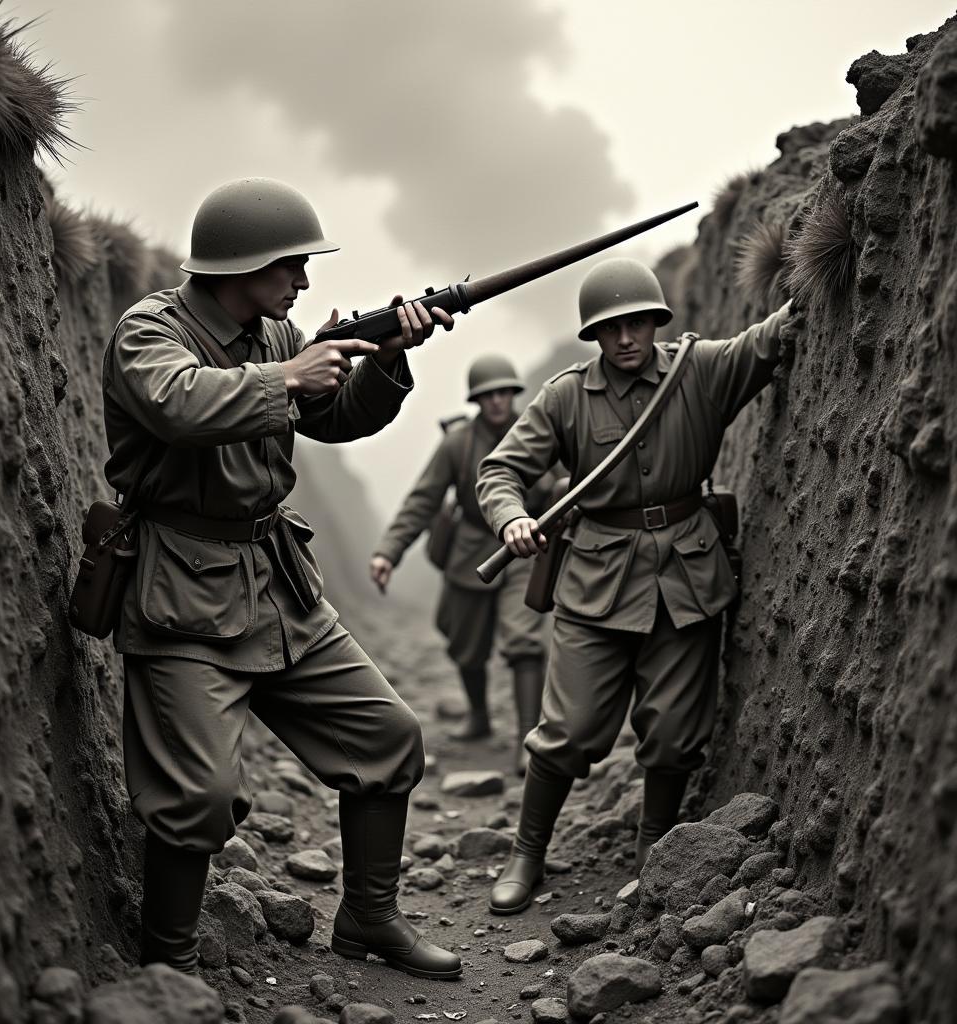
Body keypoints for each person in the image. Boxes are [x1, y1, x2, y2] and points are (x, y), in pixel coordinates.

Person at [102, 177, 462, 979]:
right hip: (182, 593)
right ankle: (169, 967)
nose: (302, 283)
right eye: (290, 266)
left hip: (276, 581)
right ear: (242, 265)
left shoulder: (274, 333)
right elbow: (177, 405)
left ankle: (369, 918)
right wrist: (292, 376)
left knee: (388, 738)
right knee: (198, 796)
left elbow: (335, 420)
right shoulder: (149, 331)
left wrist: (384, 359)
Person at [476, 256, 792, 914]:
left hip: (688, 574)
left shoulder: (698, 369)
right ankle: (527, 853)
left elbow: (768, 340)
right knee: (569, 730)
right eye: (612, 328)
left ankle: (657, 849)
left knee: (676, 732)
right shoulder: (565, 396)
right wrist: (513, 519)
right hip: (595, 580)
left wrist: (816, 268)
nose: (626, 339)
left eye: (639, 324)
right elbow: (500, 471)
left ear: (657, 322)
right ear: (594, 334)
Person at [370, 356, 552, 774]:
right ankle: (479, 716)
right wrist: (388, 551)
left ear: (514, 394)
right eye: (488, 395)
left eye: (504, 392)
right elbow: (424, 499)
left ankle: (528, 736)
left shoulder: (540, 429)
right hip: (471, 549)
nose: (497, 402)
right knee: (464, 643)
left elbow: (570, 477)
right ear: (476, 400)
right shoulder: (459, 443)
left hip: (528, 546)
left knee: (524, 639)